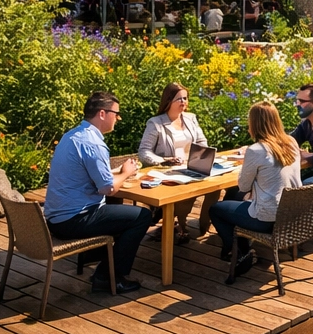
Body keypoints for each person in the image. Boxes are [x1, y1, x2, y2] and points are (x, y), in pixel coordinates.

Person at [44, 91, 151, 294]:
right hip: (73, 220)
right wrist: (126, 173)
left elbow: (91, 176)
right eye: (116, 114)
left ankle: (100, 259)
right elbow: (108, 188)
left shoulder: (72, 135)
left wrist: (117, 174)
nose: (118, 119)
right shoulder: (93, 143)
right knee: (142, 217)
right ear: (102, 113)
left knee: (118, 210)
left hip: (55, 218)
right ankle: (108, 278)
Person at [210, 102, 303, 277]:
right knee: (233, 196)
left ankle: (241, 252)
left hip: (268, 218)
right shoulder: (291, 142)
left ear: (254, 123)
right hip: (291, 213)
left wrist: (247, 168)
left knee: (215, 209)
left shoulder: (256, 150)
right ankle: (239, 244)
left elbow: (244, 186)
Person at [137, 83, 210, 242]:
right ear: (168, 101)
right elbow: (144, 152)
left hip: (191, 167)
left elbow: (202, 142)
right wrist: (164, 161)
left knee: (214, 188)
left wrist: (201, 157)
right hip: (168, 172)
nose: (183, 102)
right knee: (187, 192)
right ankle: (177, 223)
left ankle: (203, 225)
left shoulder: (191, 118)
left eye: (185, 98)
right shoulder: (155, 123)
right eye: (179, 99)